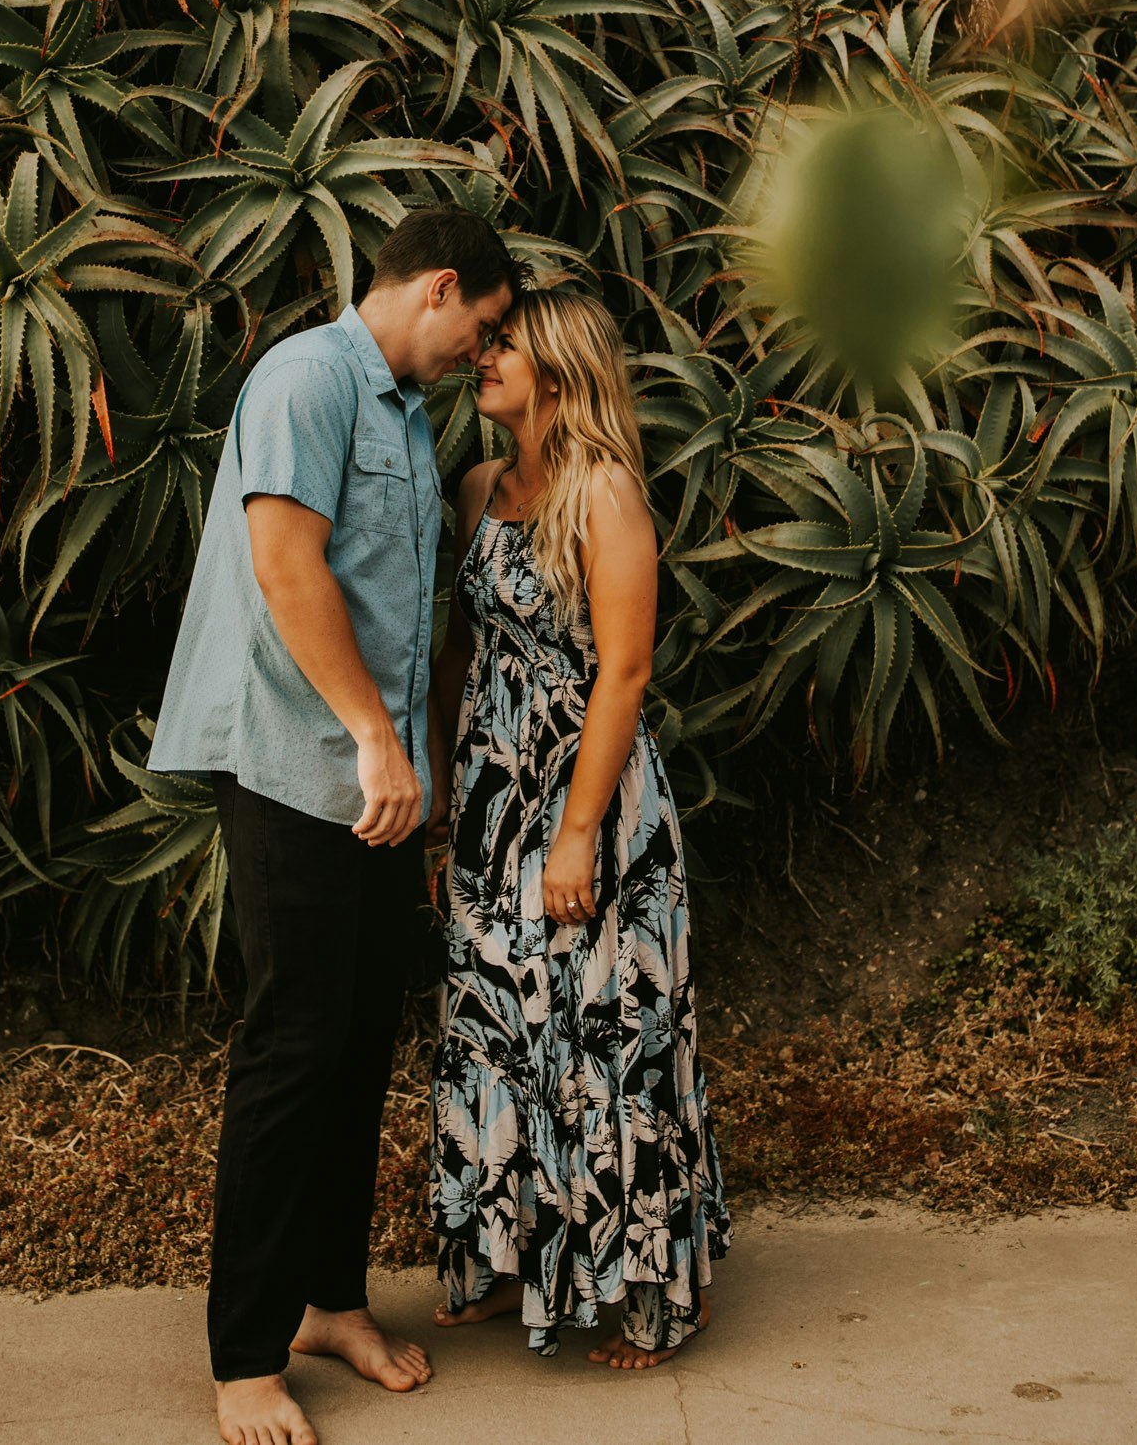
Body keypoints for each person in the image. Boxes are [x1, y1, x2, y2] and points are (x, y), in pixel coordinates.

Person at [147, 205, 519, 1445]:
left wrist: (406, 760)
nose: (485, 350)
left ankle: (326, 1301)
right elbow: (286, 566)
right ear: (442, 289)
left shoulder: (406, 416)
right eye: (486, 326)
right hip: (297, 766)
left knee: (360, 1041)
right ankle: (246, 1358)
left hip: (378, 785)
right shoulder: (305, 378)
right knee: (292, 1049)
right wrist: (370, 733)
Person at [429, 284, 731, 1367]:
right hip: (488, 798)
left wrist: (574, 832)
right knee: (496, 1029)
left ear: (558, 369)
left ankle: (648, 1298)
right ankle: (509, 1258)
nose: (483, 356)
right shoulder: (477, 486)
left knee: (607, 1036)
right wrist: (444, 798)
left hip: (585, 799)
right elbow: (459, 654)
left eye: (503, 344)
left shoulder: (605, 493)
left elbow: (627, 670)